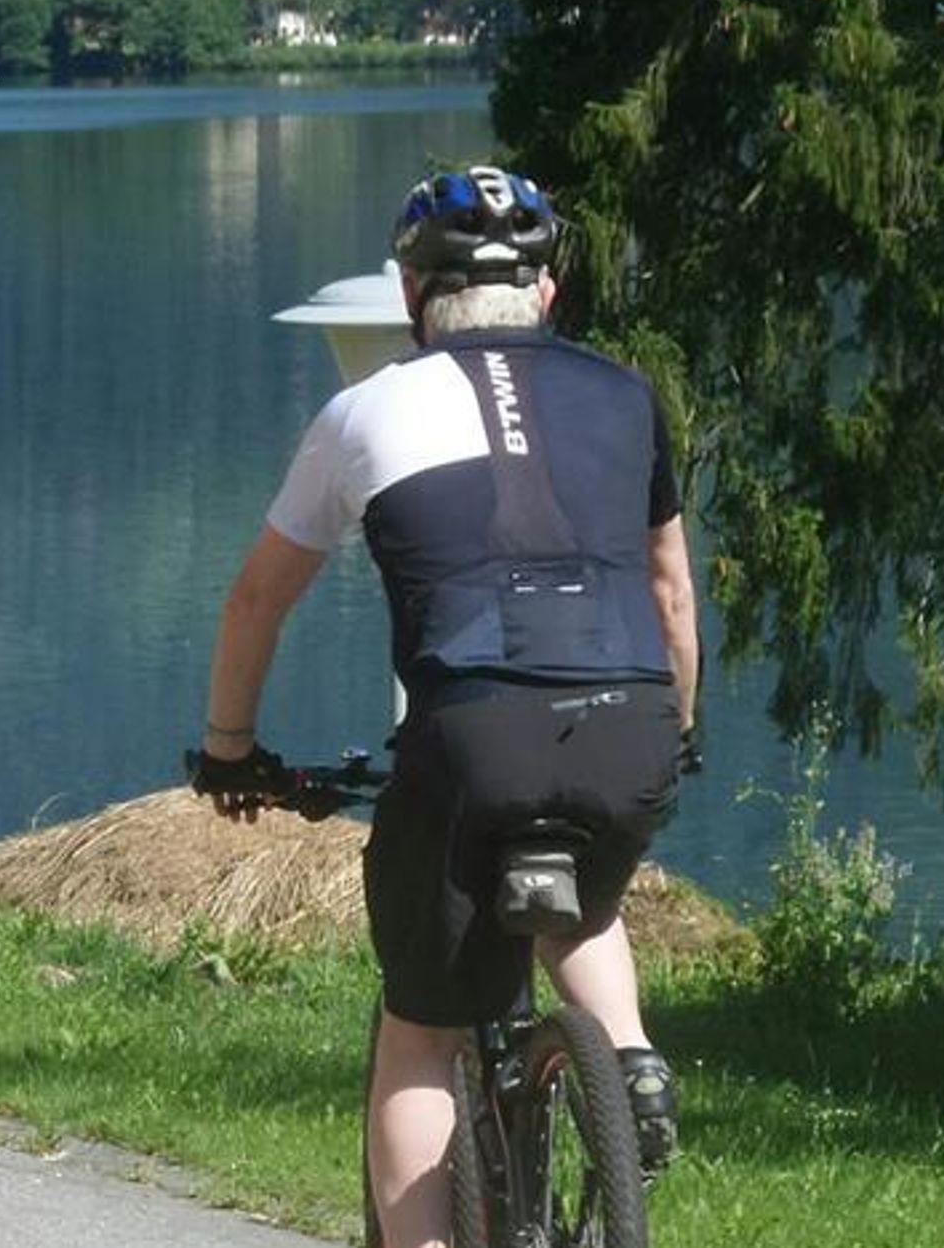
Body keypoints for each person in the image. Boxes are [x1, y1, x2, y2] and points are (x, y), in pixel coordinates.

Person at [191, 165, 698, 1248]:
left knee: (419, 1031)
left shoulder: (364, 409)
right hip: (629, 722)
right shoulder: (626, 396)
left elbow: (254, 601)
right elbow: (668, 591)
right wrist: (678, 733)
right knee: (584, 903)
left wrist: (229, 748)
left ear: (411, 295)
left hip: (473, 737)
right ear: (547, 292)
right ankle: (628, 1055)